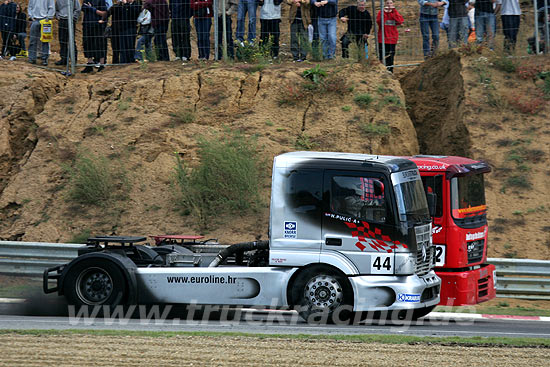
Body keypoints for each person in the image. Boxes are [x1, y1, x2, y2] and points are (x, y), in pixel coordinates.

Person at [81, 0, 108, 72]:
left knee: (99, 44)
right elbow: (83, 7)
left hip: (97, 25)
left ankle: (102, 64)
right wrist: (94, 10)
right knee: (87, 44)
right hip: (87, 24)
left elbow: (104, 13)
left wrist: (91, 8)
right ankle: (89, 63)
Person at [377, 0, 403, 73]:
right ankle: (382, 71)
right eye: (387, 3)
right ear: (385, 4)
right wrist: (385, 12)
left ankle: (390, 71)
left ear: (393, 4)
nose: (389, 5)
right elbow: (379, 22)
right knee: (382, 55)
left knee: (391, 56)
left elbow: (400, 21)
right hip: (382, 38)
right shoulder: (381, 13)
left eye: (390, 3)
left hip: (392, 38)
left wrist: (393, 11)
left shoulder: (395, 12)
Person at [28, 0, 55, 65]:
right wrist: (31, 16)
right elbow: (30, 7)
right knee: (32, 40)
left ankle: (44, 59)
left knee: (45, 40)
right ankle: (32, 58)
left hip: (45, 20)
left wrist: (48, 17)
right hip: (35, 20)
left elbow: (52, 7)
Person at [55, 0, 80, 66]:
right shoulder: (58, 1)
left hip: (71, 20)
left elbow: (78, 9)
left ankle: (73, 60)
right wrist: (58, 17)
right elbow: (56, 10)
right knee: (62, 40)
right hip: (62, 20)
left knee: (71, 40)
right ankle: (63, 59)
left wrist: (73, 18)